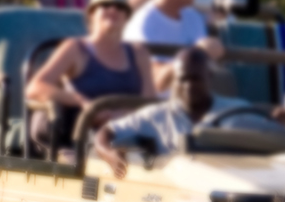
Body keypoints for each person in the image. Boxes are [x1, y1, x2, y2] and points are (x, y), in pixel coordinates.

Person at [24, 0, 156, 156]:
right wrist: (83, 102)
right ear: (92, 13)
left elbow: (149, 101)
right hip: (79, 142)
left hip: (128, 138)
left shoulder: (138, 52)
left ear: (127, 16)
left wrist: (120, 115)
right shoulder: (75, 49)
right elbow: (35, 87)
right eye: (105, 5)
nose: (113, 10)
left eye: (120, 6)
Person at [93, 46, 261, 174]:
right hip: (178, 194)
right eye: (183, 79)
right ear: (174, 80)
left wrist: (275, 120)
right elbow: (107, 131)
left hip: (231, 184)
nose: (189, 86)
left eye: (195, 79)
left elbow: (270, 137)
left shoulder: (238, 109)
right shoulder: (157, 115)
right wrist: (108, 153)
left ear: (209, 77)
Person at [127, 0, 226, 91]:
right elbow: (155, 82)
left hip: (195, 100)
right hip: (160, 103)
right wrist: (195, 54)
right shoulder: (143, 24)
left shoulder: (193, 17)